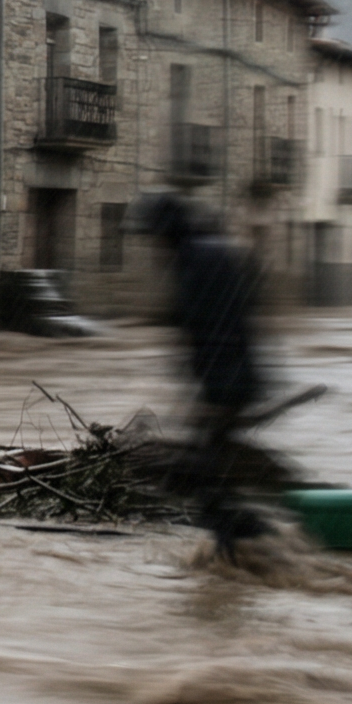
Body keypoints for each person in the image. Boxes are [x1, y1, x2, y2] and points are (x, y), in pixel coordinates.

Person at [133, 193, 273, 556]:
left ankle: (246, 550)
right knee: (215, 473)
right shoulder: (210, 251)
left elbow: (206, 329)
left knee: (206, 479)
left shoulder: (195, 260)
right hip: (235, 377)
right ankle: (248, 548)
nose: (154, 247)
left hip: (225, 382)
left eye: (155, 237)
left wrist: (208, 395)